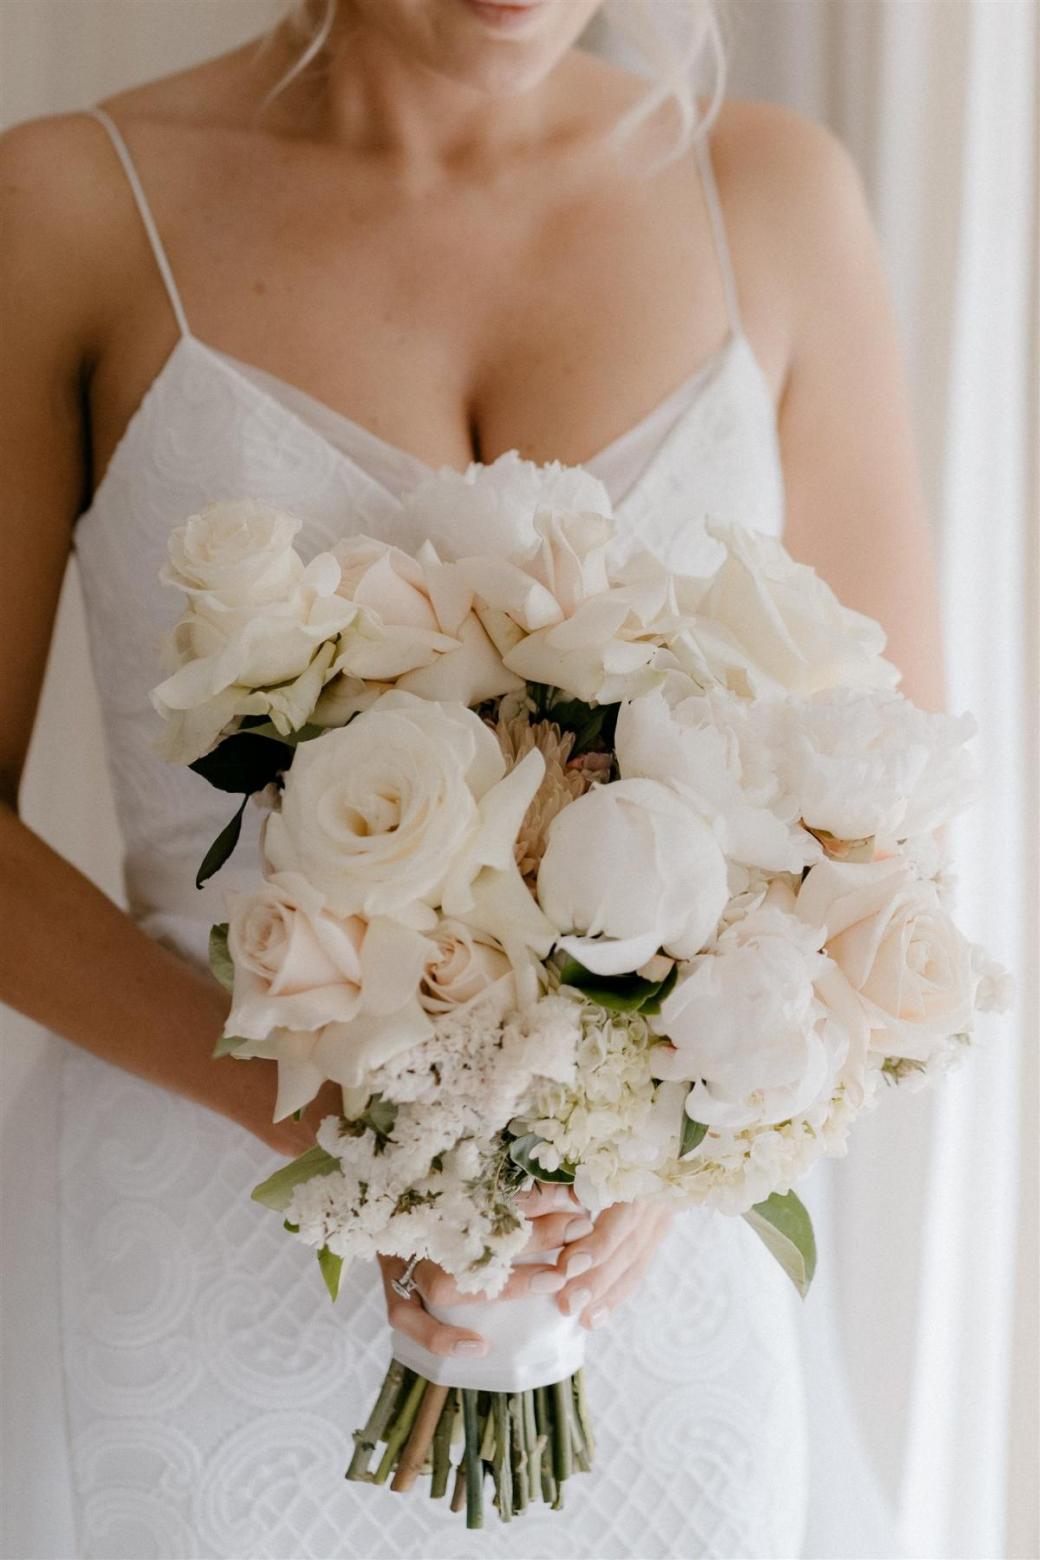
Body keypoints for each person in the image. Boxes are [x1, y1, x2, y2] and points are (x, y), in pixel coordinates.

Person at [0, 1, 945, 1555]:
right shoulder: (74, 206)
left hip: (645, 1286)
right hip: (202, 1239)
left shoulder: (773, 195)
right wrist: (312, 1117)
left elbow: (895, 811)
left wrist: (664, 1143)